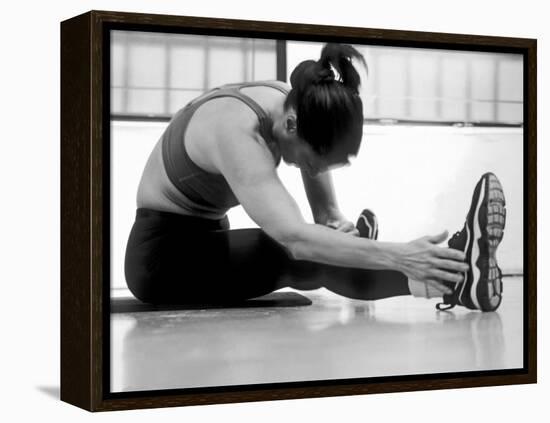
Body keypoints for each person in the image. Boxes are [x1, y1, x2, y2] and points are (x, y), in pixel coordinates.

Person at [124, 43, 506, 312]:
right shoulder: (235, 130)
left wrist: (337, 228)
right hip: (161, 259)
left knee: (321, 243)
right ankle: (455, 279)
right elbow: (295, 239)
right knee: (291, 252)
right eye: (313, 162)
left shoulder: (296, 105)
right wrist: (398, 254)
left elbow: (324, 215)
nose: (315, 172)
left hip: (208, 238)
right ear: (291, 125)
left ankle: (441, 270)